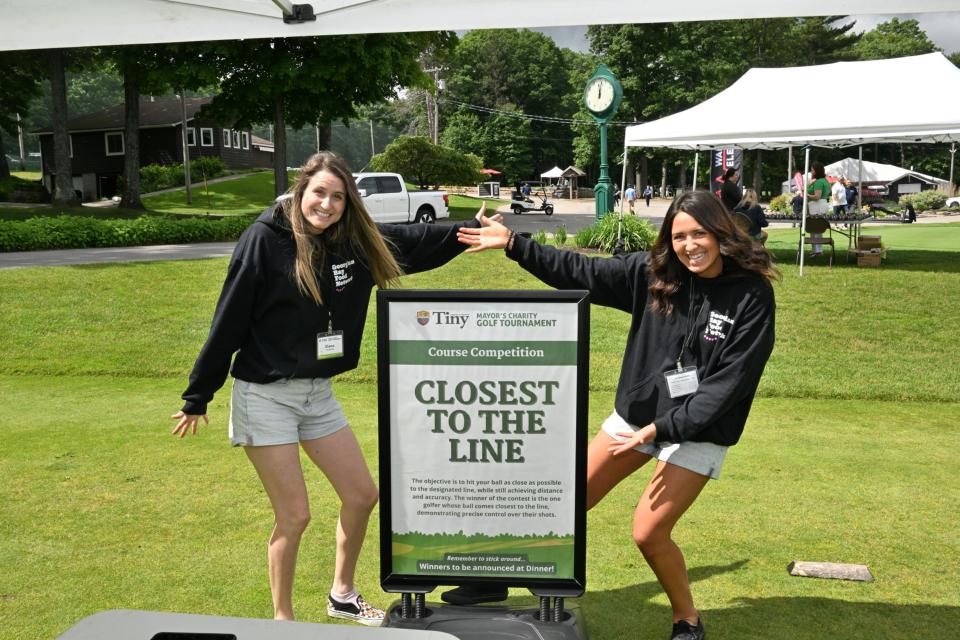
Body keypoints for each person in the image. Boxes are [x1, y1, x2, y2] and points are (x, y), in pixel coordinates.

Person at [170, 151, 495, 625]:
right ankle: (282, 620)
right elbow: (229, 320)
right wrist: (199, 394)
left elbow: (412, 242)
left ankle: (342, 594)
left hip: (317, 394)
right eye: (319, 192)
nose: (327, 204)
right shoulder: (264, 240)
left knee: (362, 495)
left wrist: (466, 234)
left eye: (338, 197)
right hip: (265, 396)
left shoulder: (353, 242)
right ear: (302, 190)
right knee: (295, 516)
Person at [454, 191, 778, 640]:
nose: (690, 246)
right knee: (565, 497)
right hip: (638, 417)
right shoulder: (653, 275)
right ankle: (493, 576)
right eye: (679, 236)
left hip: (698, 428)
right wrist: (514, 243)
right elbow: (579, 271)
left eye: (699, 233)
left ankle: (686, 618)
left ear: (720, 233)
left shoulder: (751, 295)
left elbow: (729, 384)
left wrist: (664, 428)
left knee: (648, 532)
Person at [805, 161, 831, 256]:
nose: (811, 172)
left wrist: (806, 194)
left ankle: (818, 251)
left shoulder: (819, 182)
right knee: (815, 229)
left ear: (816, 171)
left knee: (816, 229)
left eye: (812, 170)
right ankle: (816, 250)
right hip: (821, 204)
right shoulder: (824, 181)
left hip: (817, 205)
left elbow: (817, 196)